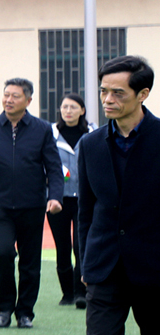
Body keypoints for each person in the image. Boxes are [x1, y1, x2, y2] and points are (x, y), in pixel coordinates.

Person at [76, 55, 160, 335]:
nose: (107, 99)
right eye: (103, 91)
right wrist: (84, 265)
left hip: (155, 267)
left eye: (117, 93)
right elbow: (85, 211)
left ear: (142, 94)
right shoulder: (90, 145)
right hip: (104, 266)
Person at [0, 78, 64, 328]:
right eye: (6, 94)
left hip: (32, 205)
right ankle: (5, 308)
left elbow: (54, 167)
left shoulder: (42, 129)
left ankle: (25, 312)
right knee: (2, 253)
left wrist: (55, 196)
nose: (9, 100)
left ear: (28, 100)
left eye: (15, 96)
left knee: (30, 262)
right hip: (0, 204)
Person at [50, 94, 92, 309]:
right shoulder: (51, 134)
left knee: (81, 245)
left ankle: (80, 292)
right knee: (62, 247)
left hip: (85, 199)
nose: (68, 111)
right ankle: (67, 293)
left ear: (82, 110)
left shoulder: (92, 133)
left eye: (73, 107)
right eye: (65, 107)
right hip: (57, 199)